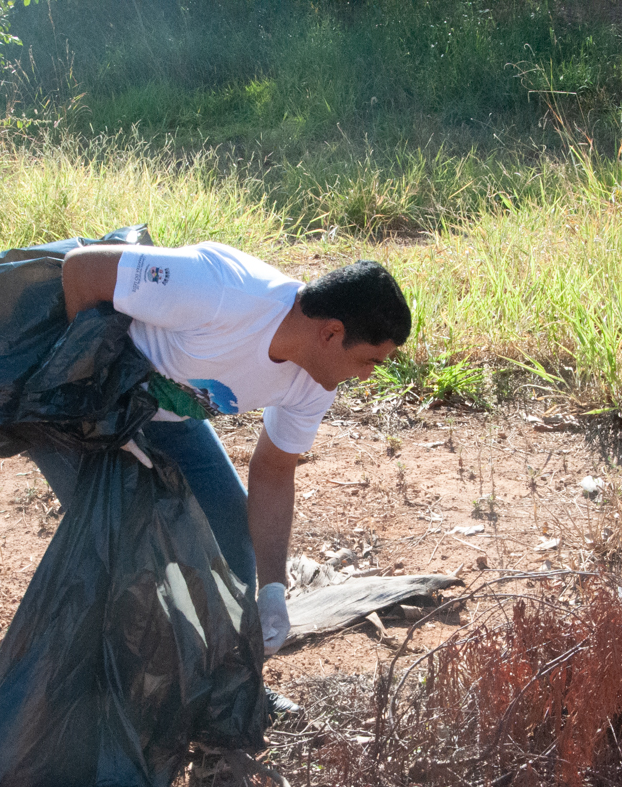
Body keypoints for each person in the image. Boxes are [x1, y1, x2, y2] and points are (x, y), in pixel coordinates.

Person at [52, 240, 410, 693]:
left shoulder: (315, 384)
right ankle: (112, 702)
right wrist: (98, 415)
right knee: (126, 548)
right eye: (368, 361)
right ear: (331, 332)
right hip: (82, 408)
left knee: (230, 541)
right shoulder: (220, 292)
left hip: (169, 417)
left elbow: (274, 470)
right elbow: (82, 271)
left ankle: (227, 698)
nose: (367, 376)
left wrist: (274, 589)